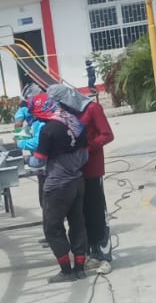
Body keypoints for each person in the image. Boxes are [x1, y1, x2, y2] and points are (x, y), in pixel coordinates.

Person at [47, 81, 115, 273]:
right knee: (79, 215)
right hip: (72, 171)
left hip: (91, 167)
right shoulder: (65, 113)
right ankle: (86, 254)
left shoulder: (92, 109)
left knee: (96, 213)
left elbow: (107, 135)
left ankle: (102, 255)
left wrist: (86, 147)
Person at [26, 93, 88, 281]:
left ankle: (66, 271)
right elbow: (85, 156)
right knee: (77, 224)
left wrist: (27, 159)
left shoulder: (48, 131)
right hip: (77, 181)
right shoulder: (76, 123)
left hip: (57, 186)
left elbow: (38, 162)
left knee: (52, 228)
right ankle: (80, 268)